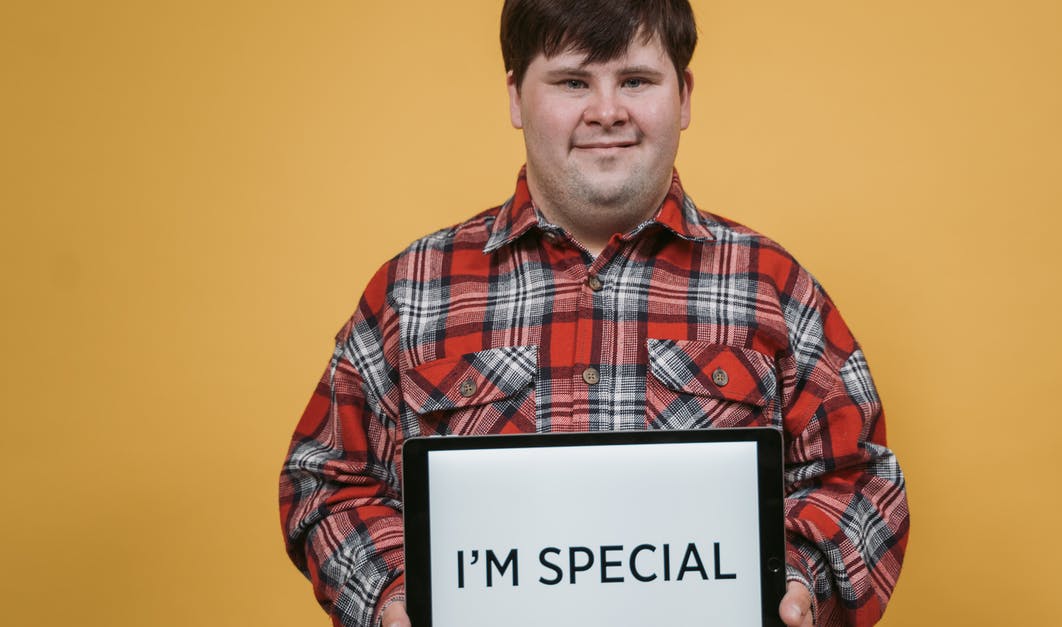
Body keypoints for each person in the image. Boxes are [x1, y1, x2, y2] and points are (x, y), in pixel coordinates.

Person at [279, 1, 909, 626]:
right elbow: (325, 482)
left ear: (683, 96)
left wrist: (797, 582)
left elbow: (860, 478)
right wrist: (392, 595)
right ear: (515, 97)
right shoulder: (411, 290)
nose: (607, 112)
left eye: (635, 80)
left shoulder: (772, 285)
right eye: (573, 81)